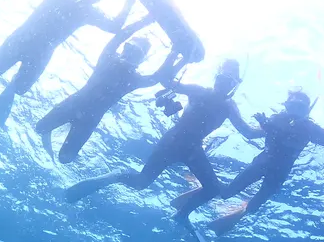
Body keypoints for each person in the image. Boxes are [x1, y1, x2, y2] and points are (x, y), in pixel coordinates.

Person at [63, 59, 260, 204]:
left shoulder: (228, 105)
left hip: (190, 148)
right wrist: (178, 60)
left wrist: (271, 129)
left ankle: (182, 214)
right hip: (176, 143)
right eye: (221, 78)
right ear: (216, 78)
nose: (223, 84)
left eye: (229, 82)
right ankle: (115, 175)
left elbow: (248, 132)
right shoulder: (201, 91)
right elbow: (167, 82)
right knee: (141, 182)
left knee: (212, 189)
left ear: (235, 85)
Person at [0, 0, 136, 124]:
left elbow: (114, 27)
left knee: (6, 80)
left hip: (28, 43)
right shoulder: (75, 0)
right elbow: (114, 26)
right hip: (34, 47)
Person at [172, 89, 324, 233]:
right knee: (225, 193)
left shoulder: (309, 128)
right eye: (291, 105)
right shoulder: (277, 119)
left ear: (306, 111)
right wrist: (263, 123)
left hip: (279, 172)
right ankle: (195, 197)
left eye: (299, 108)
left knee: (256, 204)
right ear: (286, 106)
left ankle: (236, 210)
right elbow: (262, 133)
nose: (293, 112)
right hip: (263, 163)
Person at [35, 15, 182, 164]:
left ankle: (50, 132)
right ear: (124, 48)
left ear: (140, 60)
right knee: (40, 129)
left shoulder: (130, 76)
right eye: (129, 48)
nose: (128, 53)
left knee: (65, 159)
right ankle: (48, 132)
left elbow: (157, 77)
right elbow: (122, 37)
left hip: (85, 117)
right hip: (79, 110)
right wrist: (174, 53)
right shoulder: (112, 62)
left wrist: (176, 54)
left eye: (135, 53)